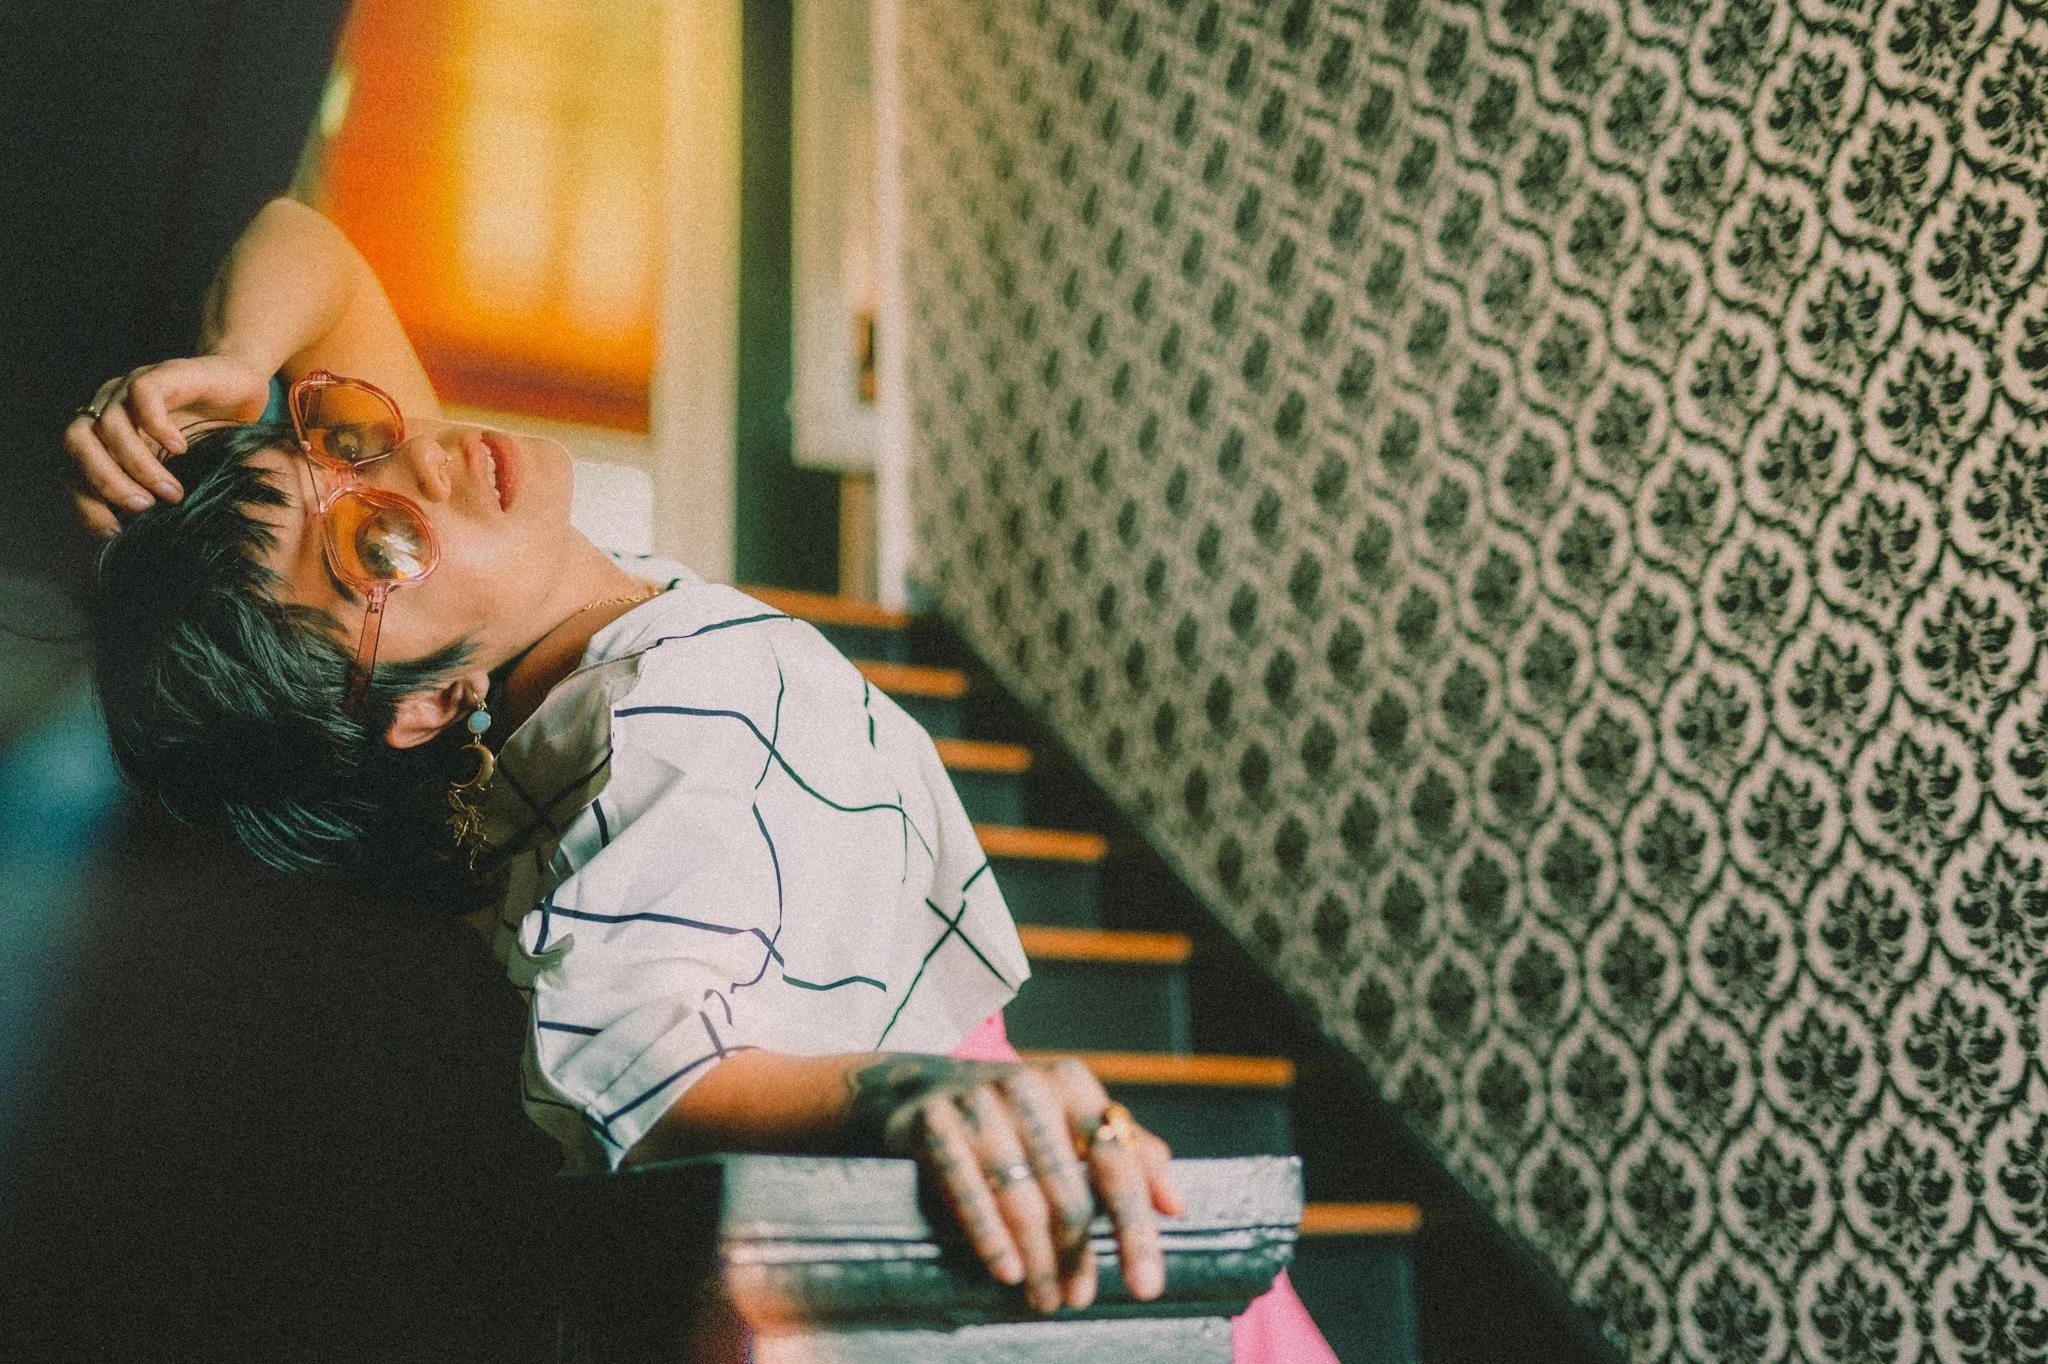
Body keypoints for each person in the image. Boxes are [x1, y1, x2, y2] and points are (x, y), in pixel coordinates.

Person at [68, 198, 1336, 1359]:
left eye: (346, 432)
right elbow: (635, 1057)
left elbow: (308, 244)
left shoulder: (541, 596)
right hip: (972, 1212)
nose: (415, 464)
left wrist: (237, 367)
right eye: (375, 544)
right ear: (423, 706)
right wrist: (913, 1095)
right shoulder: (644, 738)